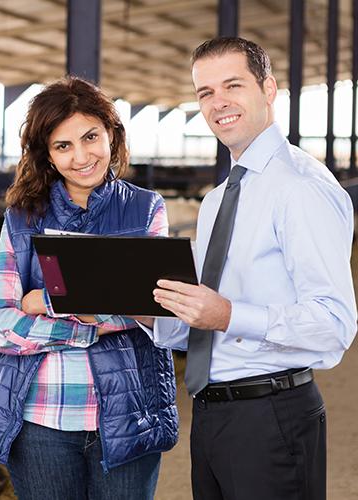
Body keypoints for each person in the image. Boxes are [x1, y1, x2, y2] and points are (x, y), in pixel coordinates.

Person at [138, 37, 357, 500]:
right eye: (205, 92)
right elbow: (205, 319)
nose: (219, 103)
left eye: (233, 85)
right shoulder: (217, 200)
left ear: (269, 89)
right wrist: (147, 312)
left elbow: (335, 324)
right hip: (213, 413)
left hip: (272, 416)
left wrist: (228, 315)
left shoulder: (300, 188)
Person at [0, 76, 178, 500]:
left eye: (91, 137)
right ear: (46, 154)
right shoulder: (22, 217)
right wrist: (89, 325)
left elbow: (155, 305)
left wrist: (43, 301)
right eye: (63, 146)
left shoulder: (145, 209)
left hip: (127, 413)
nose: (81, 157)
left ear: (112, 135)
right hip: (40, 420)